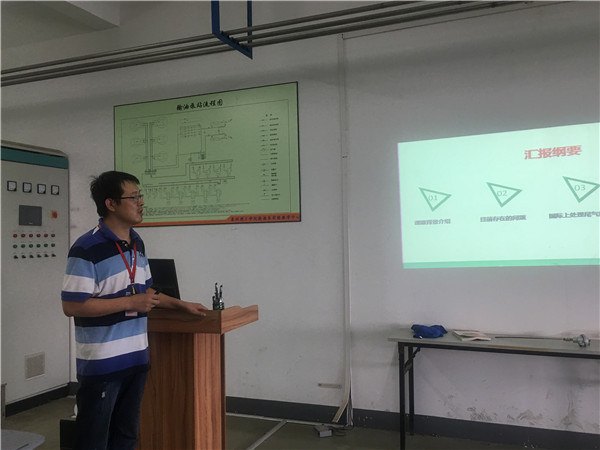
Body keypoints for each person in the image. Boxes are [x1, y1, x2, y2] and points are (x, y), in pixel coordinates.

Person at [61, 170, 207, 450]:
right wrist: (130, 303)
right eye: (134, 197)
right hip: (103, 365)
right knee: (94, 440)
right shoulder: (86, 249)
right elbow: (72, 305)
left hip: (136, 359)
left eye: (140, 196)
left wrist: (181, 305)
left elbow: (145, 292)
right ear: (111, 204)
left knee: (126, 437)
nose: (141, 202)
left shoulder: (137, 243)